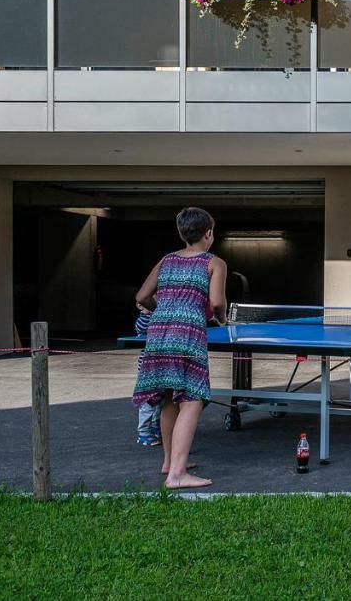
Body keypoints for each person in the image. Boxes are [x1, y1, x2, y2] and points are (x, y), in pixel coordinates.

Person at [131, 207, 228, 489]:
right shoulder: (214, 263)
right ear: (208, 233)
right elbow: (218, 303)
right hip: (188, 333)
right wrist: (220, 320)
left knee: (169, 397)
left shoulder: (166, 260)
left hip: (158, 332)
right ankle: (177, 475)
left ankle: (169, 462)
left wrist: (162, 309)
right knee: (191, 399)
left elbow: (141, 297)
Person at [133, 305, 162, 447]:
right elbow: (143, 328)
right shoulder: (143, 320)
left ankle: (156, 425)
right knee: (148, 400)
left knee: (161, 398)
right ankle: (143, 431)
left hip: (161, 364)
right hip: (148, 367)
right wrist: (147, 312)